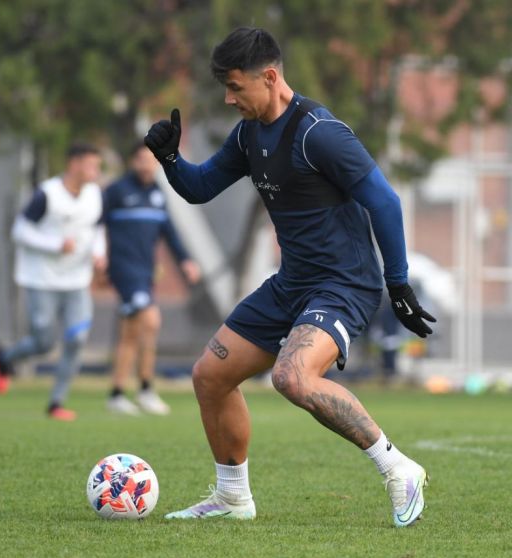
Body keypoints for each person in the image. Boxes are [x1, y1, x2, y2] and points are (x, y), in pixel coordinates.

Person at [144, 27, 436, 527]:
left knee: (292, 376)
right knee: (210, 377)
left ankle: (399, 468)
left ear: (271, 77)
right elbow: (201, 187)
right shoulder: (248, 134)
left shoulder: (318, 133)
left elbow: (384, 201)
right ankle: (233, 497)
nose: (228, 98)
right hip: (292, 283)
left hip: (344, 284)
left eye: (235, 87)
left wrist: (399, 283)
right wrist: (170, 159)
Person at [0, 143, 106, 421]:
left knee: (76, 339)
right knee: (43, 343)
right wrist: (55, 244)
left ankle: (56, 403)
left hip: (77, 281)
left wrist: (99, 255)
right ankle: (4, 359)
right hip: (40, 279)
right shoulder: (48, 194)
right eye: (92, 165)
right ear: (74, 164)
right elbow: (19, 231)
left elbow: (97, 228)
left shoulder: (94, 195)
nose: (96, 171)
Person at [102, 142, 201, 416]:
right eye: (141, 159)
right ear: (132, 162)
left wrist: (185, 261)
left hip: (146, 273)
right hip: (124, 270)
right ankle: (142, 389)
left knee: (133, 331)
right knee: (150, 320)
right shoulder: (116, 191)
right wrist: (97, 257)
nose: (146, 164)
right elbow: (96, 225)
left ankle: (121, 392)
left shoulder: (158, 194)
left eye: (150, 160)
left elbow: (169, 233)